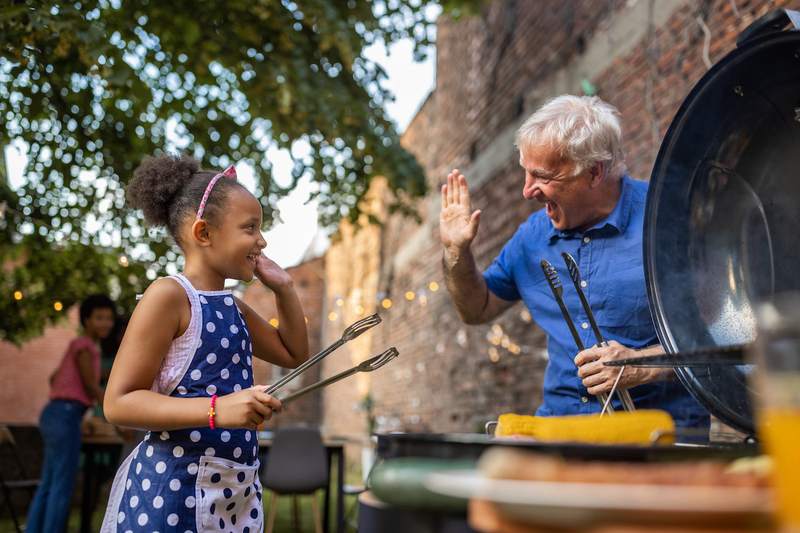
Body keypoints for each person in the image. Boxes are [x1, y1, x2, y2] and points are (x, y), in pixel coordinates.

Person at [440, 95, 708, 431]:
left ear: (594, 172)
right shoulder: (531, 238)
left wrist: (642, 365)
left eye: (542, 176)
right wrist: (456, 253)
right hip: (561, 428)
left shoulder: (670, 219)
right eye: (525, 172)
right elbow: (476, 309)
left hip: (660, 437)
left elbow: (724, 335)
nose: (527, 191)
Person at [100, 154, 309, 532]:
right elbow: (119, 402)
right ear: (204, 234)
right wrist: (216, 409)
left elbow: (294, 353)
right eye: (250, 228)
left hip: (234, 492)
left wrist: (285, 289)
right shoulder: (169, 296)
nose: (261, 240)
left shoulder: (234, 308)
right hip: (172, 495)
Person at [25, 294, 116, 533]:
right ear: (86, 319)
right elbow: (90, 385)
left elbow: (54, 378)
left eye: (108, 318)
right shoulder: (84, 345)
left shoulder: (82, 346)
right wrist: (113, 410)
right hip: (65, 414)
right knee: (61, 485)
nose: (105, 323)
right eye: (99, 318)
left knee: (49, 483)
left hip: (56, 413)